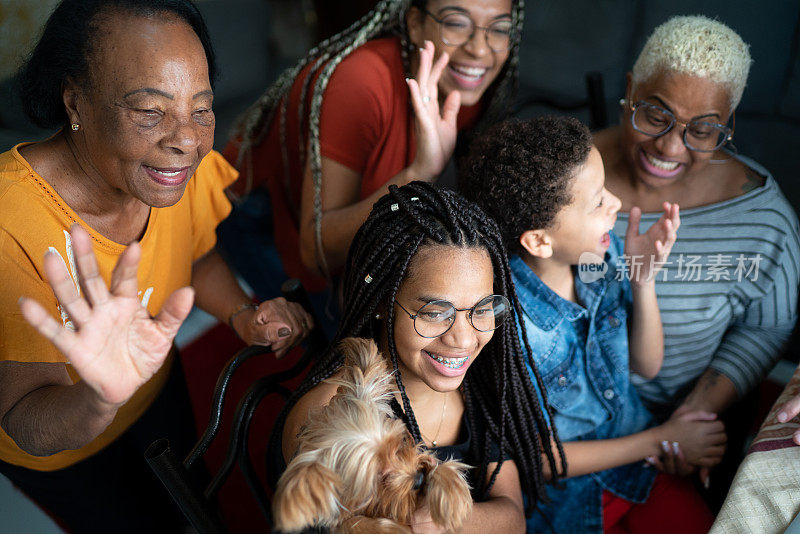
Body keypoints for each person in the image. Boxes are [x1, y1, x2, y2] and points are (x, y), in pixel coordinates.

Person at [0, 1, 312, 531]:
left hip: (154, 383)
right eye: (149, 111)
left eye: (201, 108)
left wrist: (241, 315)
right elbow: (23, 419)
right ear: (75, 100)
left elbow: (194, 253)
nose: (187, 141)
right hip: (69, 454)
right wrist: (102, 394)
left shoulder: (172, 170)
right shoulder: (10, 226)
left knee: (191, 497)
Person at [461, 116, 722, 533]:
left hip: (641, 469)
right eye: (598, 201)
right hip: (569, 506)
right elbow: (539, 459)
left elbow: (646, 365)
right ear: (540, 241)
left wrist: (643, 281)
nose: (616, 203)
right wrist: (659, 439)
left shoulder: (603, 259)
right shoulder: (509, 329)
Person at [270, 181, 564, 533]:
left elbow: (512, 519)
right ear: (383, 302)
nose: (464, 338)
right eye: (435, 312)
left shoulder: (481, 385)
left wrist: (439, 521)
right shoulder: (337, 413)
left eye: (482, 308)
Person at [593, 15, 800, 498]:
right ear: (629, 91)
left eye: (702, 131)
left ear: (727, 125)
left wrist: (697, 412)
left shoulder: (762, 221)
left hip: (680, 434)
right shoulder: (561, 179)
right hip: (558, 421)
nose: (668, 146)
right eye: (653, 114)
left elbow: (766, 326)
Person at [218, 0, 524, 324]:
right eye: (456, 23)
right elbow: (316, 250)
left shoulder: (469, 83)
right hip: (261, 206)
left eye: (499, 28)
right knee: (325, 334)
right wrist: (422, 171)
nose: (479, 49)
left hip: (364, 198)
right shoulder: (361, 82)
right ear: (416, 23)